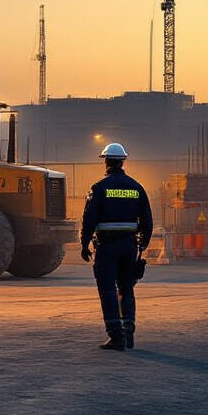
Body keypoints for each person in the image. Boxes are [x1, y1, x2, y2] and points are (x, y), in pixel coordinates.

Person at [80, 142, 153, 351]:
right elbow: (147, 220)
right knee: (127, 287)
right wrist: (143, 244)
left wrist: (84, 245)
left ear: (106, 162)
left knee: (107, 289)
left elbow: (89, 219)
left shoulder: (99, 188)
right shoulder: (137, 187)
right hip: (129, 246)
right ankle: (128, 331)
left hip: (107, 246)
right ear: (122, 161)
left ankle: (116, 336)